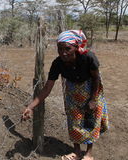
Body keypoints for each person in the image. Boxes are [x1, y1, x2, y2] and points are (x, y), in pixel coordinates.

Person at [21, 30, 109, 160]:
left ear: (76, 47)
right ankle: (77, 152)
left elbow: (96, 78)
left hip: (91, 88)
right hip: (72, 92)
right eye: (60, 48)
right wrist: (30, 107)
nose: (63, 52)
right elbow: (47, 88)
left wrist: (93, 99)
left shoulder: (88, 58)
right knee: (74, 120)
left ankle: (89, 153)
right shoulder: (58, 63)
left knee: (91, 119)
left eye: (67, 48)